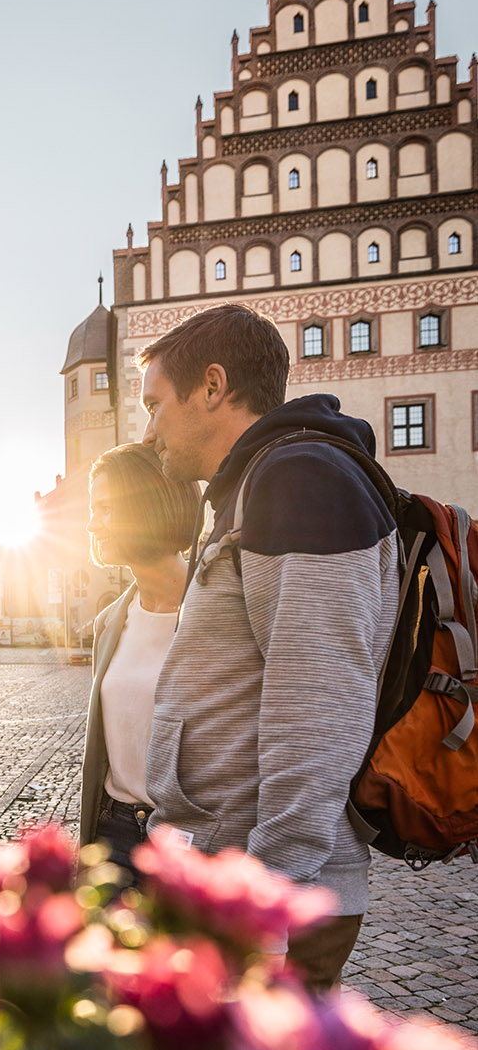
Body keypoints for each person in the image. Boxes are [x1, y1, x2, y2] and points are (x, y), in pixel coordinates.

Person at [138, 302, 400, 989]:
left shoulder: (300, 480)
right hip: (227, 874)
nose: (150, 429)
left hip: (259, 895)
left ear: (214, 386)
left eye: (155, 405)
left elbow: (319, 710)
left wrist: (269, 900)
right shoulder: (262, 480)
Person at [79, 443, 200, 874]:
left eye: (107, 509)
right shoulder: (109, 623)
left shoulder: (218, 611)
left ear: (151, 506)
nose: (93, 524)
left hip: (189, 842)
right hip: (115, 833)